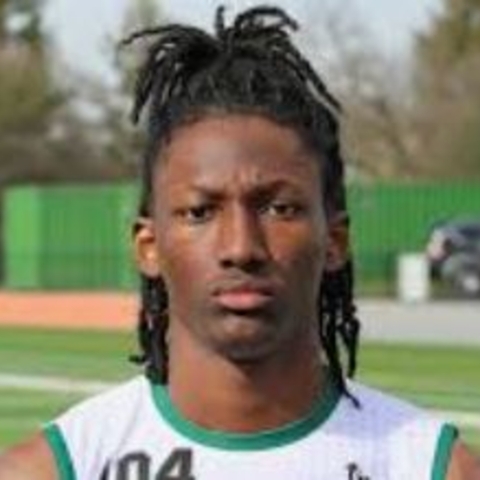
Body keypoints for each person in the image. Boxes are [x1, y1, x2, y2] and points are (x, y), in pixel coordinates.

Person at [1, 5, 479, 480]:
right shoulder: (55, 468)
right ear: (149, 246)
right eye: (199, 212)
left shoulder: (428, 466)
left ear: (335, 240)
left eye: (280, 209)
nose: (241, 247)